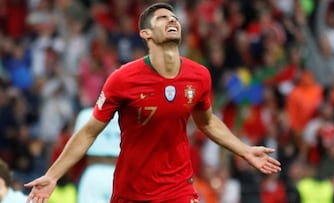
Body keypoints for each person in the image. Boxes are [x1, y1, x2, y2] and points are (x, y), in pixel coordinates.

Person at [25, 3, 281, 203]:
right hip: (132, 191)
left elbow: (207, 122)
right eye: (162, 18)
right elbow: (89, 132)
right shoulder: (122, 79)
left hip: (178, 188)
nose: (172, 20)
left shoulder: (199, 75)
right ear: (145, 34)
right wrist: (53, 175)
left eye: (174, 18)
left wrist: (244, 150)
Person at [74, 107, 121, 203]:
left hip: (94, 173)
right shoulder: (132, 115)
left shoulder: (86, 115)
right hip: (122, 175)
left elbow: (75, 145)